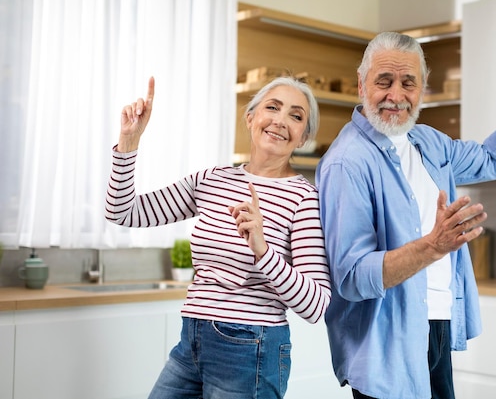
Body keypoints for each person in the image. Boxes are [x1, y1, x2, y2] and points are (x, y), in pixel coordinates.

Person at [315, 30, 496, 399]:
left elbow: (494, 158)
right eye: (384, 81)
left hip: (435, 322)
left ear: (423, 88)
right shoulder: (347, 162)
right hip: (386, 344)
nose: (396, 95)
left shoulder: (427, 142)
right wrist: (433, 247)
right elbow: (352, 276)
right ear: (361, 84)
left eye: (409, 83)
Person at [105, 76, 331, 399]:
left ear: (303, 137)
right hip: (192, 340)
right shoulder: (212, 181)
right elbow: (123, 211)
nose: (281, 121)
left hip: (251, 348)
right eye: (273, 107)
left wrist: (263, 251)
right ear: (251, 117)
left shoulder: (304, 199)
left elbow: (317, 305)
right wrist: (128, 144)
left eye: (296, 116)